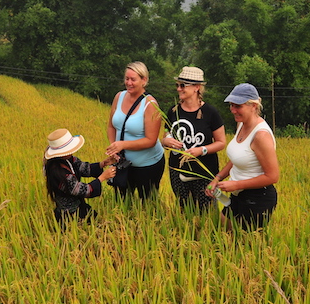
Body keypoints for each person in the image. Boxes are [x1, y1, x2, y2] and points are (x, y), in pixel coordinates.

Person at [205, 83, 279, 231]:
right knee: (224, 227)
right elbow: (236, 158)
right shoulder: (241, 124)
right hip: (237, 194)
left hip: (257, 197)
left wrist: (236, 185)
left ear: (253, 106)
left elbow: (273, 176)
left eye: (238, 106)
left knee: (246, 245)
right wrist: (217, 179)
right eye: (231, 105)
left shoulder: (261, 135)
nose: (233, 110)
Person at [162, 66, 226, 210]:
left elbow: (221, 142)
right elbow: (166, 134)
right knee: (184, 209)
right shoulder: (173, 111)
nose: (179, 89)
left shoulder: (210, 113)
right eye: (177, 85)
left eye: (183, 85)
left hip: (203, 171)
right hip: (177, 170)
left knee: (206, 211)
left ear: (197, 87)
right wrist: (165, 141)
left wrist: (201, 150)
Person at [106, 61, 165, 201]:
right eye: (127, 79)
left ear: (144, 80)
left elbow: (151, 140)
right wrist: (114, 148)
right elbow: (111, 126)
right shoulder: (119, 97)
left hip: (147, 165)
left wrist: (123, 145)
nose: (129, 83)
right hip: (123, 164)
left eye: (133, 79)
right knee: (122, 201)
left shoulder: (150, 104)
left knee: (147, 203)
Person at [43, 128, 117, 230]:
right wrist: (102, 177)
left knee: (93, 220)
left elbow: (83, 167)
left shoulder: (68, 159)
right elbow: (82, 190)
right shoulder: (58, 172)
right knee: (74, 232)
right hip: (68, 213)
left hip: (78, 205)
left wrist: (103, 164)